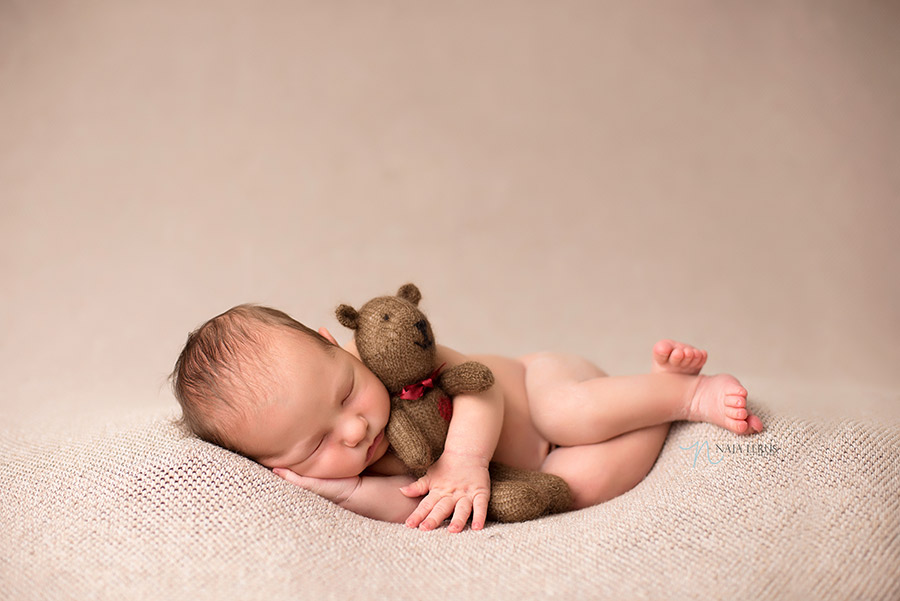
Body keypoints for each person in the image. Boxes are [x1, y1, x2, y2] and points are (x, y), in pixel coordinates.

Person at [171, 304, 763, 533]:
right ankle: (655, 406)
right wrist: (348, 492)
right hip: (542, 464)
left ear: (337, 345)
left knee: (569, 414)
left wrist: (464, 458)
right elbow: (417, 505)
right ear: (268, 464)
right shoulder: (350, 467)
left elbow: (480, 391)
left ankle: (688, 398)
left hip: (539, 385)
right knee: (577, 489)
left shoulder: (393, 358)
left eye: (346, 393)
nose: (355, 429)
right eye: (314, 444)